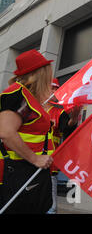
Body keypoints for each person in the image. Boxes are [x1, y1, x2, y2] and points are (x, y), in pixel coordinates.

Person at [0, 49, 55, 214]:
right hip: (17, 172)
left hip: (27, 172)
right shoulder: (17, 93)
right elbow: (6, 132)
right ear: (40, 73)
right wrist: (35, 159)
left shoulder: (28, 96)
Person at [45, 78, 81, 214]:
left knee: (51, 206)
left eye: (56, 89)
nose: (54, 91)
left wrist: (73, 119)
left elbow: (67, 128)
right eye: (52, 88)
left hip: (49, 163)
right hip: (28, 160)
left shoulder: (59, 113)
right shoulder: (32, 107)